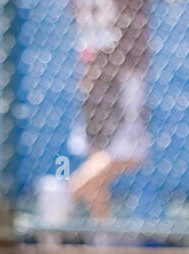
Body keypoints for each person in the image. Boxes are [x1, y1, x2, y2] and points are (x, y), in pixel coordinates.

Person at [67, 0, 151, 225]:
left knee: (97, 159)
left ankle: (103, 239)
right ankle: (63, 197)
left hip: (90, 73)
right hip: (122, 73)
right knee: (131, 155)